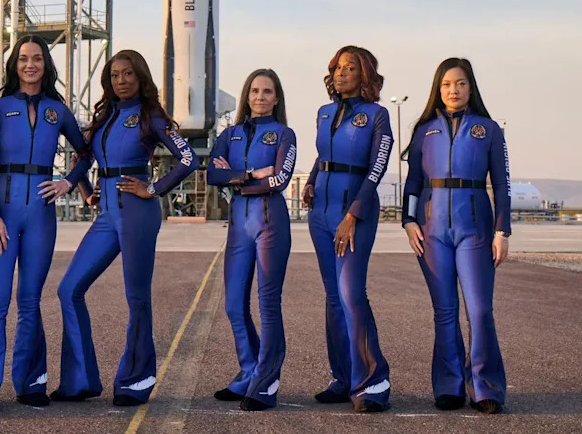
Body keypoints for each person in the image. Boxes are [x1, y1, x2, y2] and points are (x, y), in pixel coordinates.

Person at [53, 49, 197, 407]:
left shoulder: (151, 117)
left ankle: (135, 380)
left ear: (141, 77)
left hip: (137, 211)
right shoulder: (103, 117)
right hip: (105, 214)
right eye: (115, 75)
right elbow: (82, 158)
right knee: (69, 289)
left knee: (136, 298)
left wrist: (153, 188)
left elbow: (188, 158)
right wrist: (84, 190)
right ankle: (79, 380)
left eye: (128, 74)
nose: (121, 81)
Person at [0, 36, 91, 413]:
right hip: (2, 211)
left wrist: (69, 182)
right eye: (23, 59)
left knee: (30, 300)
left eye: (37, 58)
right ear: (14, 65)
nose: (30, 65)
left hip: (41, 215)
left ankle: (31, 382)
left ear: (46, 64)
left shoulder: (57, 110)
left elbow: (86, 152)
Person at [401, 57, 511, 414]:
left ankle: (485, 386)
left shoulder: (489, 129)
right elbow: (414, 181)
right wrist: (408, 219)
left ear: (470, 87)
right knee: (444, 310)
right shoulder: (424, 131)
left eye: (460, 83)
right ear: (439, 87)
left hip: (475, 228)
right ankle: (449, 385)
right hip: (431, 231)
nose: (454, 90)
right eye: (447, 84)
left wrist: (502, 230)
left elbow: (502, 185)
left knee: (479, 310)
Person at [302, 46, 393, 412]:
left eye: (350, 68)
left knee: (351, 293)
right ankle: (342, 378)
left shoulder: (378, 116)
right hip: (320, 212)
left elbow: (377, 167)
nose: (341, 73)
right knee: (332, 297)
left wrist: (353, 215)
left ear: (364, 74)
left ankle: (374, 382)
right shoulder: (324, 113)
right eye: (337, 68)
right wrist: (310, 181)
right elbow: (322, 154)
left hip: (354, 212)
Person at [206, 68, 296, 411]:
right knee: (233, 305)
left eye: (267, 92)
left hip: (270, 222)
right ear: (247, 96)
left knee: (267, 304)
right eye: (255, 91)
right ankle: (249, 372)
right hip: (238, 226)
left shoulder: (285, 134)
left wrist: (236, 181)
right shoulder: (230, 134)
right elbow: (213, 173)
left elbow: (281, 179)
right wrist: (249, 174)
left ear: (276, 98)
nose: (260, 97)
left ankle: (267, 381)